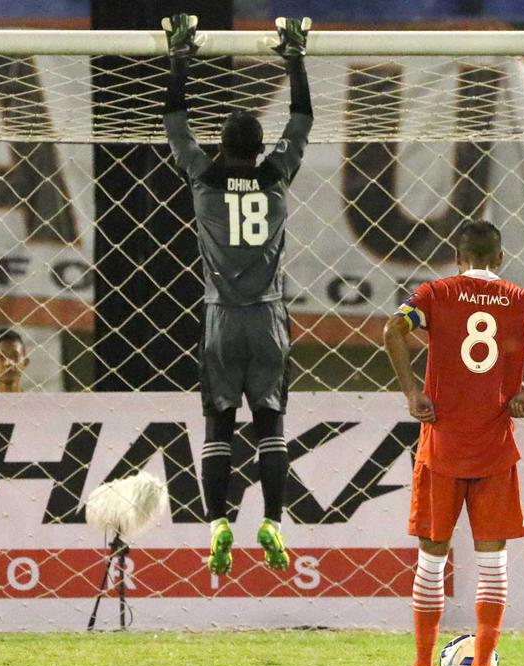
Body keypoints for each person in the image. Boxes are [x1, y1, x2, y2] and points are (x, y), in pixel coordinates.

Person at [383, 220, 524, 666]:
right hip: (494, 449)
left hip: (442, 448)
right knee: (493, 563)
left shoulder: (435, 294)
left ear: (459, 258)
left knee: (431, 560)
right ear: (499, 259)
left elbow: (394, 328)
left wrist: (413, 392)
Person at [160, 14, 313, 576]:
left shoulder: (202, 176)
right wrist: (293, 58)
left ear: (221, 145)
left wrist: (181, 59)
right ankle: (272, 520)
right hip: (269, 317)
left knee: (218, 424)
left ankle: (217, 522)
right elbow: (302, 120)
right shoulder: (276, 177)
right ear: (257, 147)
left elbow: (176, 122)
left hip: (220, 318)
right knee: (270, 423)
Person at [0, 329, 28, 393]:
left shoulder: (36, 402)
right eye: (1, 357)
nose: (8, 363)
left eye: (15, 356)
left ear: (25, 363)